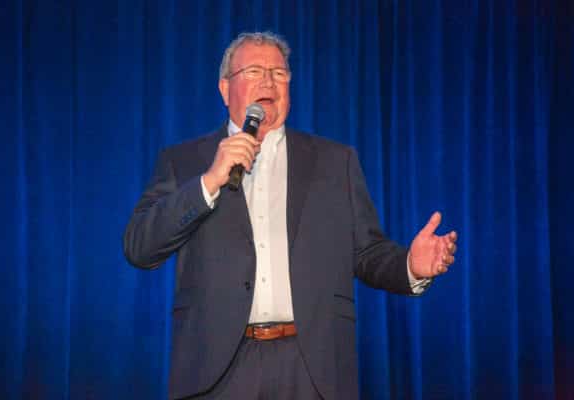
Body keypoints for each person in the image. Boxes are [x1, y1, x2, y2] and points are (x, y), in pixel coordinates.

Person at [124, 31, 457, 400]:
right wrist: (208, 182)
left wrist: (410, 266)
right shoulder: (184, 161)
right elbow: (140, 247)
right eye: (254, 71)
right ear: (225, 89)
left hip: (311, 367)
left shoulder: (335, 162)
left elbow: (366, 253)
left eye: (279, 73)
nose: (269, 81)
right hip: (216, 371)